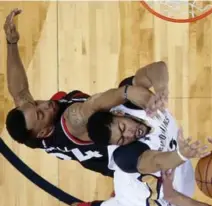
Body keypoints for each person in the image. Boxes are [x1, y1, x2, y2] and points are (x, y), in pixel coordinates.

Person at [8, 91, 210, 206]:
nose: (129, 134)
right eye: (122, 134)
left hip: (135, 175)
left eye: (123, 128)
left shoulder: (129, 109)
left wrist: (147, 87)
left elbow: (20, 91)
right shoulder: (121, 150)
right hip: (141, 194)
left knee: (136, 189)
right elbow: (154, 160)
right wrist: (181, 154)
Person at [4, 8, 168, 177]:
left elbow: (19, 92)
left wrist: (11, 43)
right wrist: (126, 92)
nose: (45, 105)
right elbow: (93, 105)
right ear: (44, 132)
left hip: (107, 149)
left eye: (36, 103)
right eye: (41, 114)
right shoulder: (71, 120)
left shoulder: (31, 131)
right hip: (127, 154)